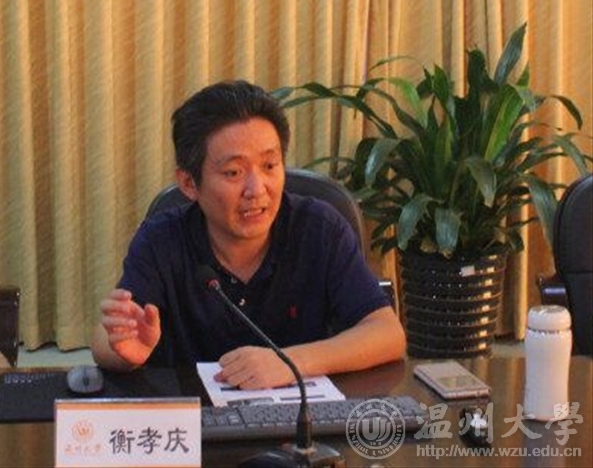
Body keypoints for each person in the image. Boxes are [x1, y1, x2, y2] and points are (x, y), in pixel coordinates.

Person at [91, 80, 406, 389]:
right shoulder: (161, 239)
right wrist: (125, 352)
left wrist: (289, 363)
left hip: (301, 416)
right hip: (199, 418)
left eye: (269, 165)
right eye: (233, 172)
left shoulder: (320, 229)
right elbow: (108, 341)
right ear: (189, 184)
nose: (257, 190)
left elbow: (387, 334)